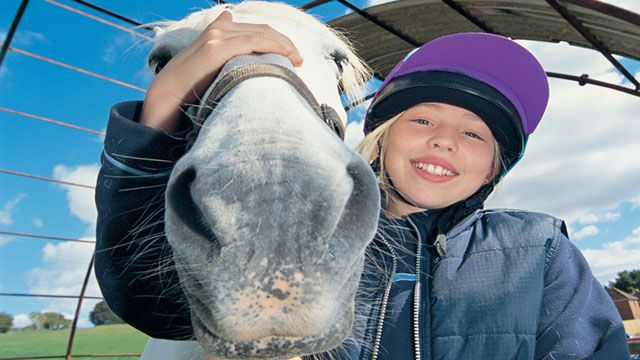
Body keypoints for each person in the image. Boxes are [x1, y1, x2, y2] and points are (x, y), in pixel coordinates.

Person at [94, 11, 630, 360]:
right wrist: (155, 120)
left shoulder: (539, 251)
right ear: (379, 135)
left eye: (474, 134)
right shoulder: (322, 239)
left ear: (494, 169)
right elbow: (155, 304)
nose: (445, 142)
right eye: (422, 121)